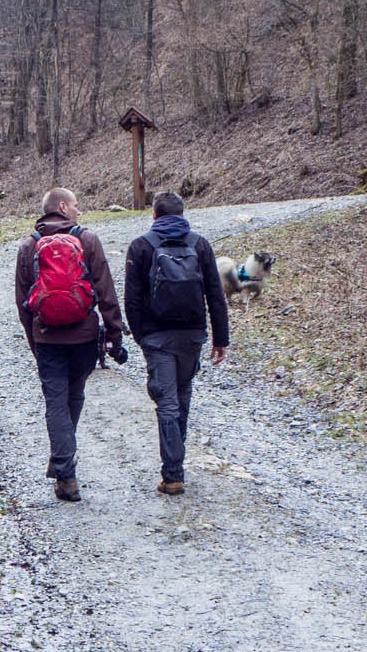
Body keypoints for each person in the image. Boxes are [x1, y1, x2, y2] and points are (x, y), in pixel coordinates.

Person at [14, 187, 127, 502]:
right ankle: (63, 461)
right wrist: (114, 334)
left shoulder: (29, 246)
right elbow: (106, 290)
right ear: (62, 207)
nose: (79, 210)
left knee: (55, 401)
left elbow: (22, 302)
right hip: (84, 337)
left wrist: (34, 340)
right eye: (76, 205)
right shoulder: (88, 240)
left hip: (47, 336)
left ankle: (65, 472)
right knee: (74, 394)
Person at [122, 192, 230, 496]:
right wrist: (220, 338)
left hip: (157, 337)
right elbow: (215, 295)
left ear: (154, 216)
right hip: (192, 335)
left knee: (167, 401)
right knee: (181, 394)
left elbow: (132, 300)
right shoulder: (200, 244)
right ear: (183, 215)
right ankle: (175, 465)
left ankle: (173, 474)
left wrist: (142, 337)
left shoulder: (141, 246)